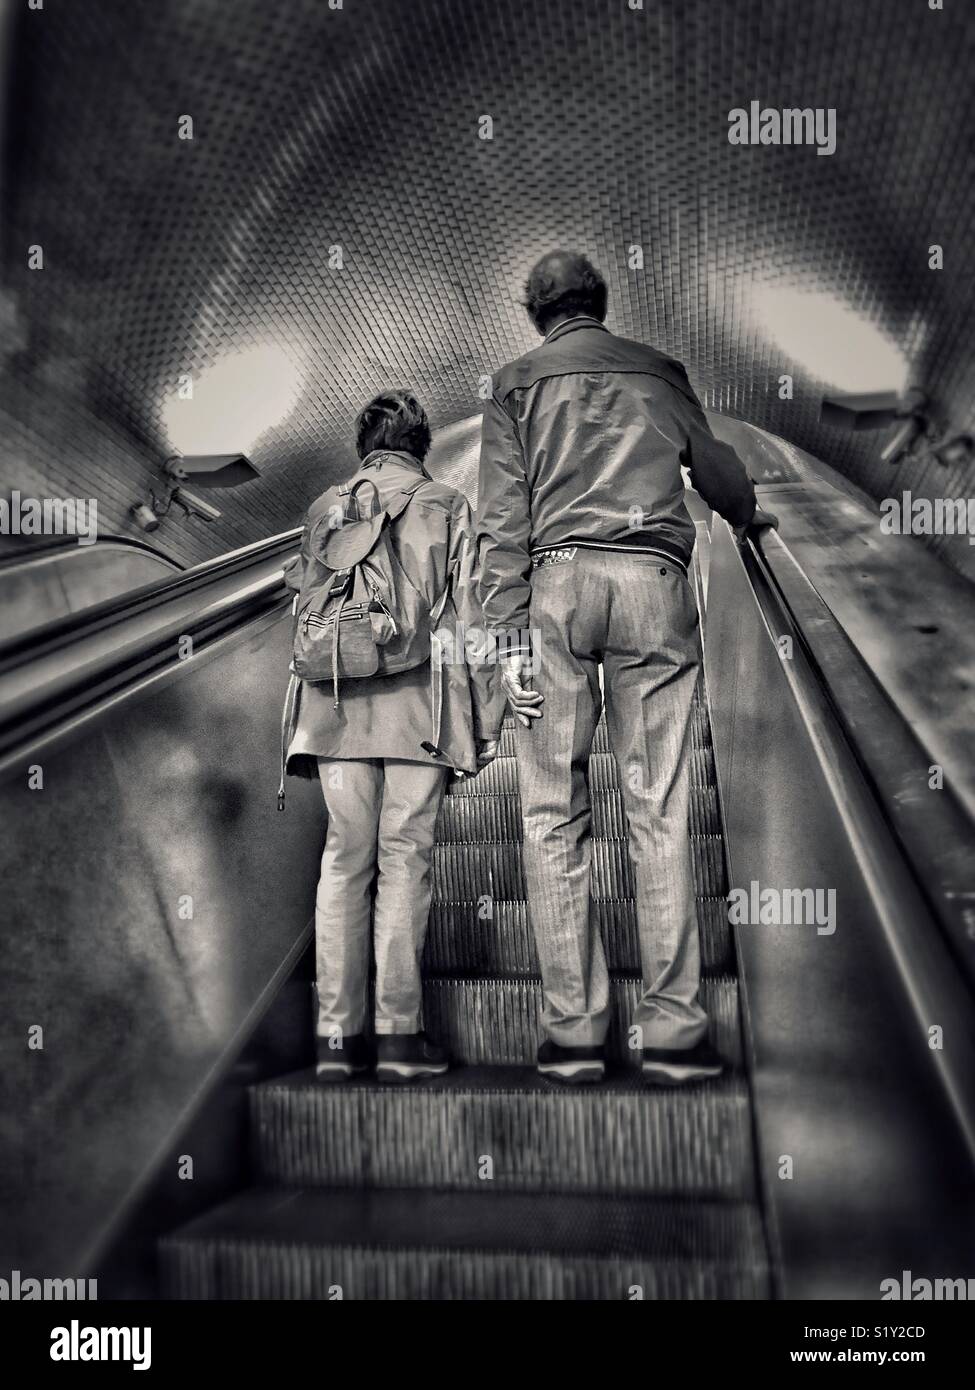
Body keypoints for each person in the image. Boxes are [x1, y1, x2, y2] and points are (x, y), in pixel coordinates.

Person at [476, 251, 777, 1085]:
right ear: (599, 304)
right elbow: (712, 467)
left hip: (555, 585)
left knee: (547, 813)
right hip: (652, 581)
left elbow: (500, 520)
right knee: (659, 804)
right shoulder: (657, 368)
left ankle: (575, 1033)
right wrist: (747, 515)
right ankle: (675, 1031)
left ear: (534, 312)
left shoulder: (512, 384)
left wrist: (505, 639)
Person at [283, 390, 503, 1082]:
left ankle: (335, 1042)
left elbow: (305, 608)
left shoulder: (325, 507)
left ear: (364, 447)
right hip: (419, 711)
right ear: (421, 446)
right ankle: (400, 1040)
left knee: (344, 863)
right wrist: (488, 718)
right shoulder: (443, 505)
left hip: (333, 707)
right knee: (405, 858)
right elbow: (471, 618)